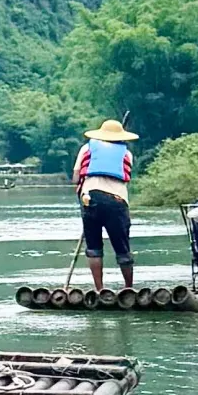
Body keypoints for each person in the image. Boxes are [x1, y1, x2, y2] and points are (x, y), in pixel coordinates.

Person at [72, 119, 138, 292]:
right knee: (122, 247)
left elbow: (76, 176)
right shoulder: (127, 154)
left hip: (90, 197)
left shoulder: (86, 148)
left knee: (93, 247)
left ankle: (100, 289)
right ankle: (128, 288)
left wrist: (81, 187)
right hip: (117, 200)